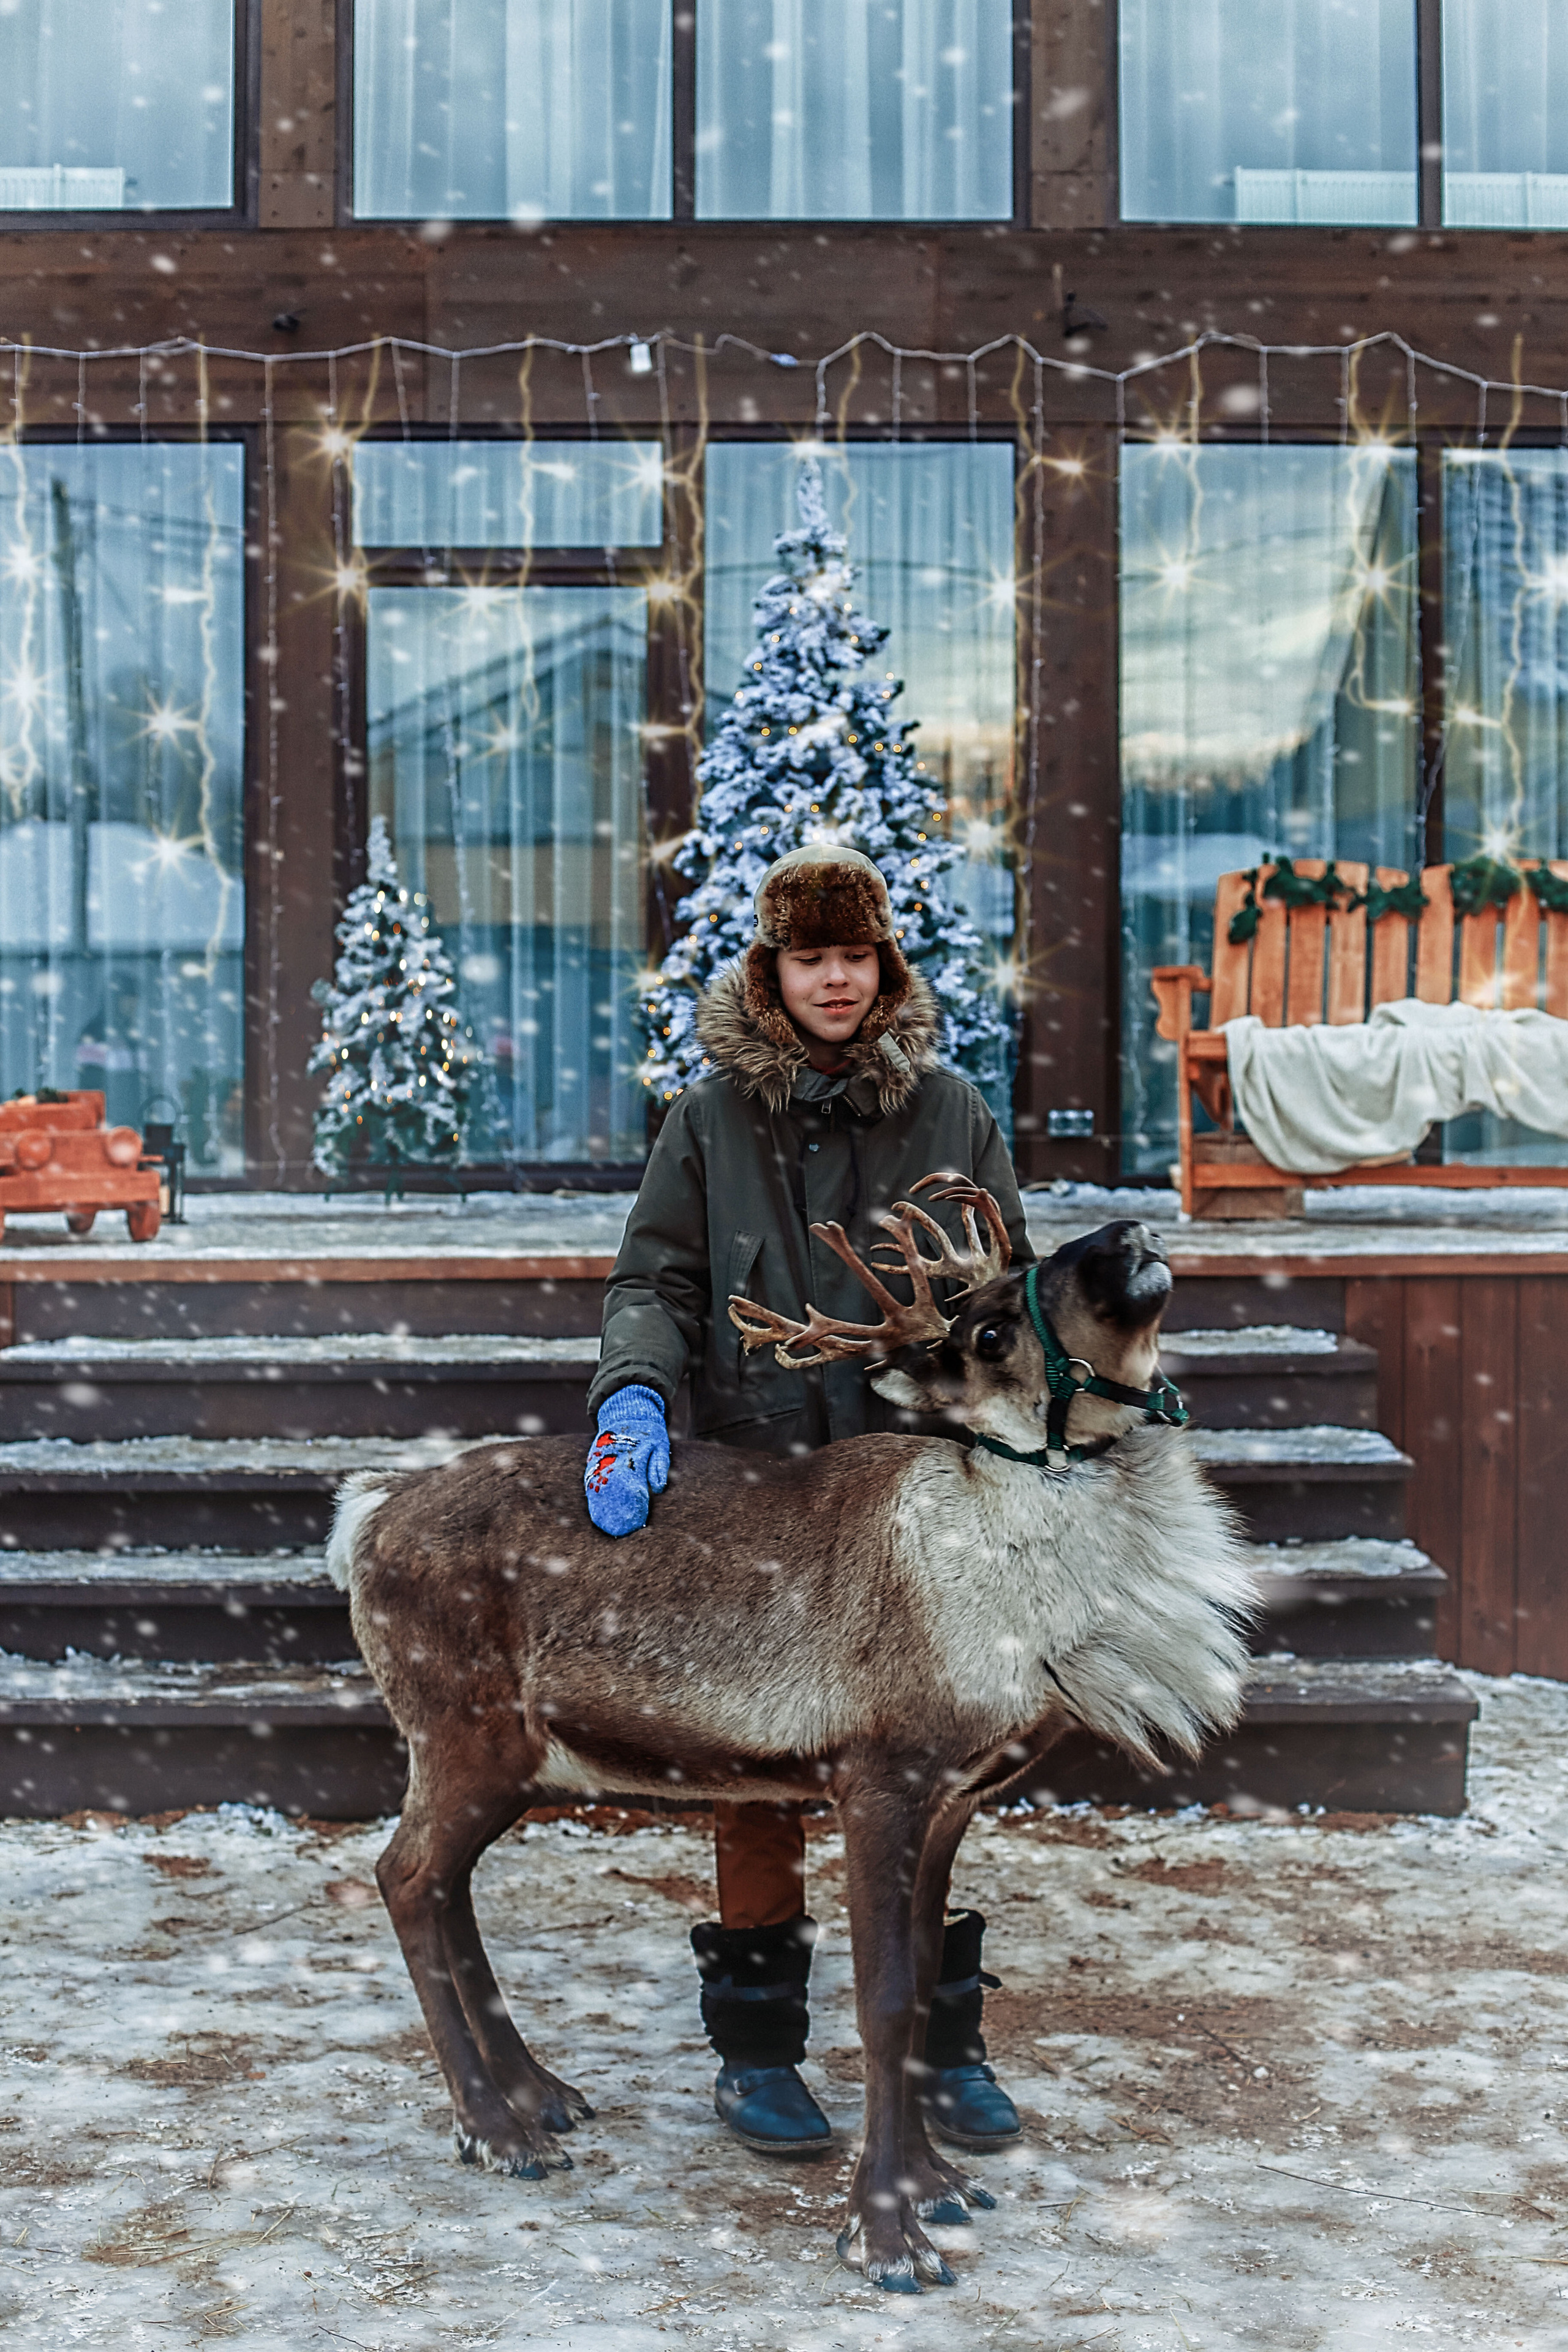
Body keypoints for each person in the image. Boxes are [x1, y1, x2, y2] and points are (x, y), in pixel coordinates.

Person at [583, 843, 1031, 2157]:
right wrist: (633, 1394)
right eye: (808, 957)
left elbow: (1008, 1297)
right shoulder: (709, 1120)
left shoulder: (952, 1112)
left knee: (932, 1770)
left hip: (921, 1495)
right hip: (765, 1489)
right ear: (770, 970)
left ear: (882, 965)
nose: (832, 979)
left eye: (852, 956)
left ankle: (942, 2045)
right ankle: (759, 2052)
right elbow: (651, 1281)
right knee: (763, 1769)